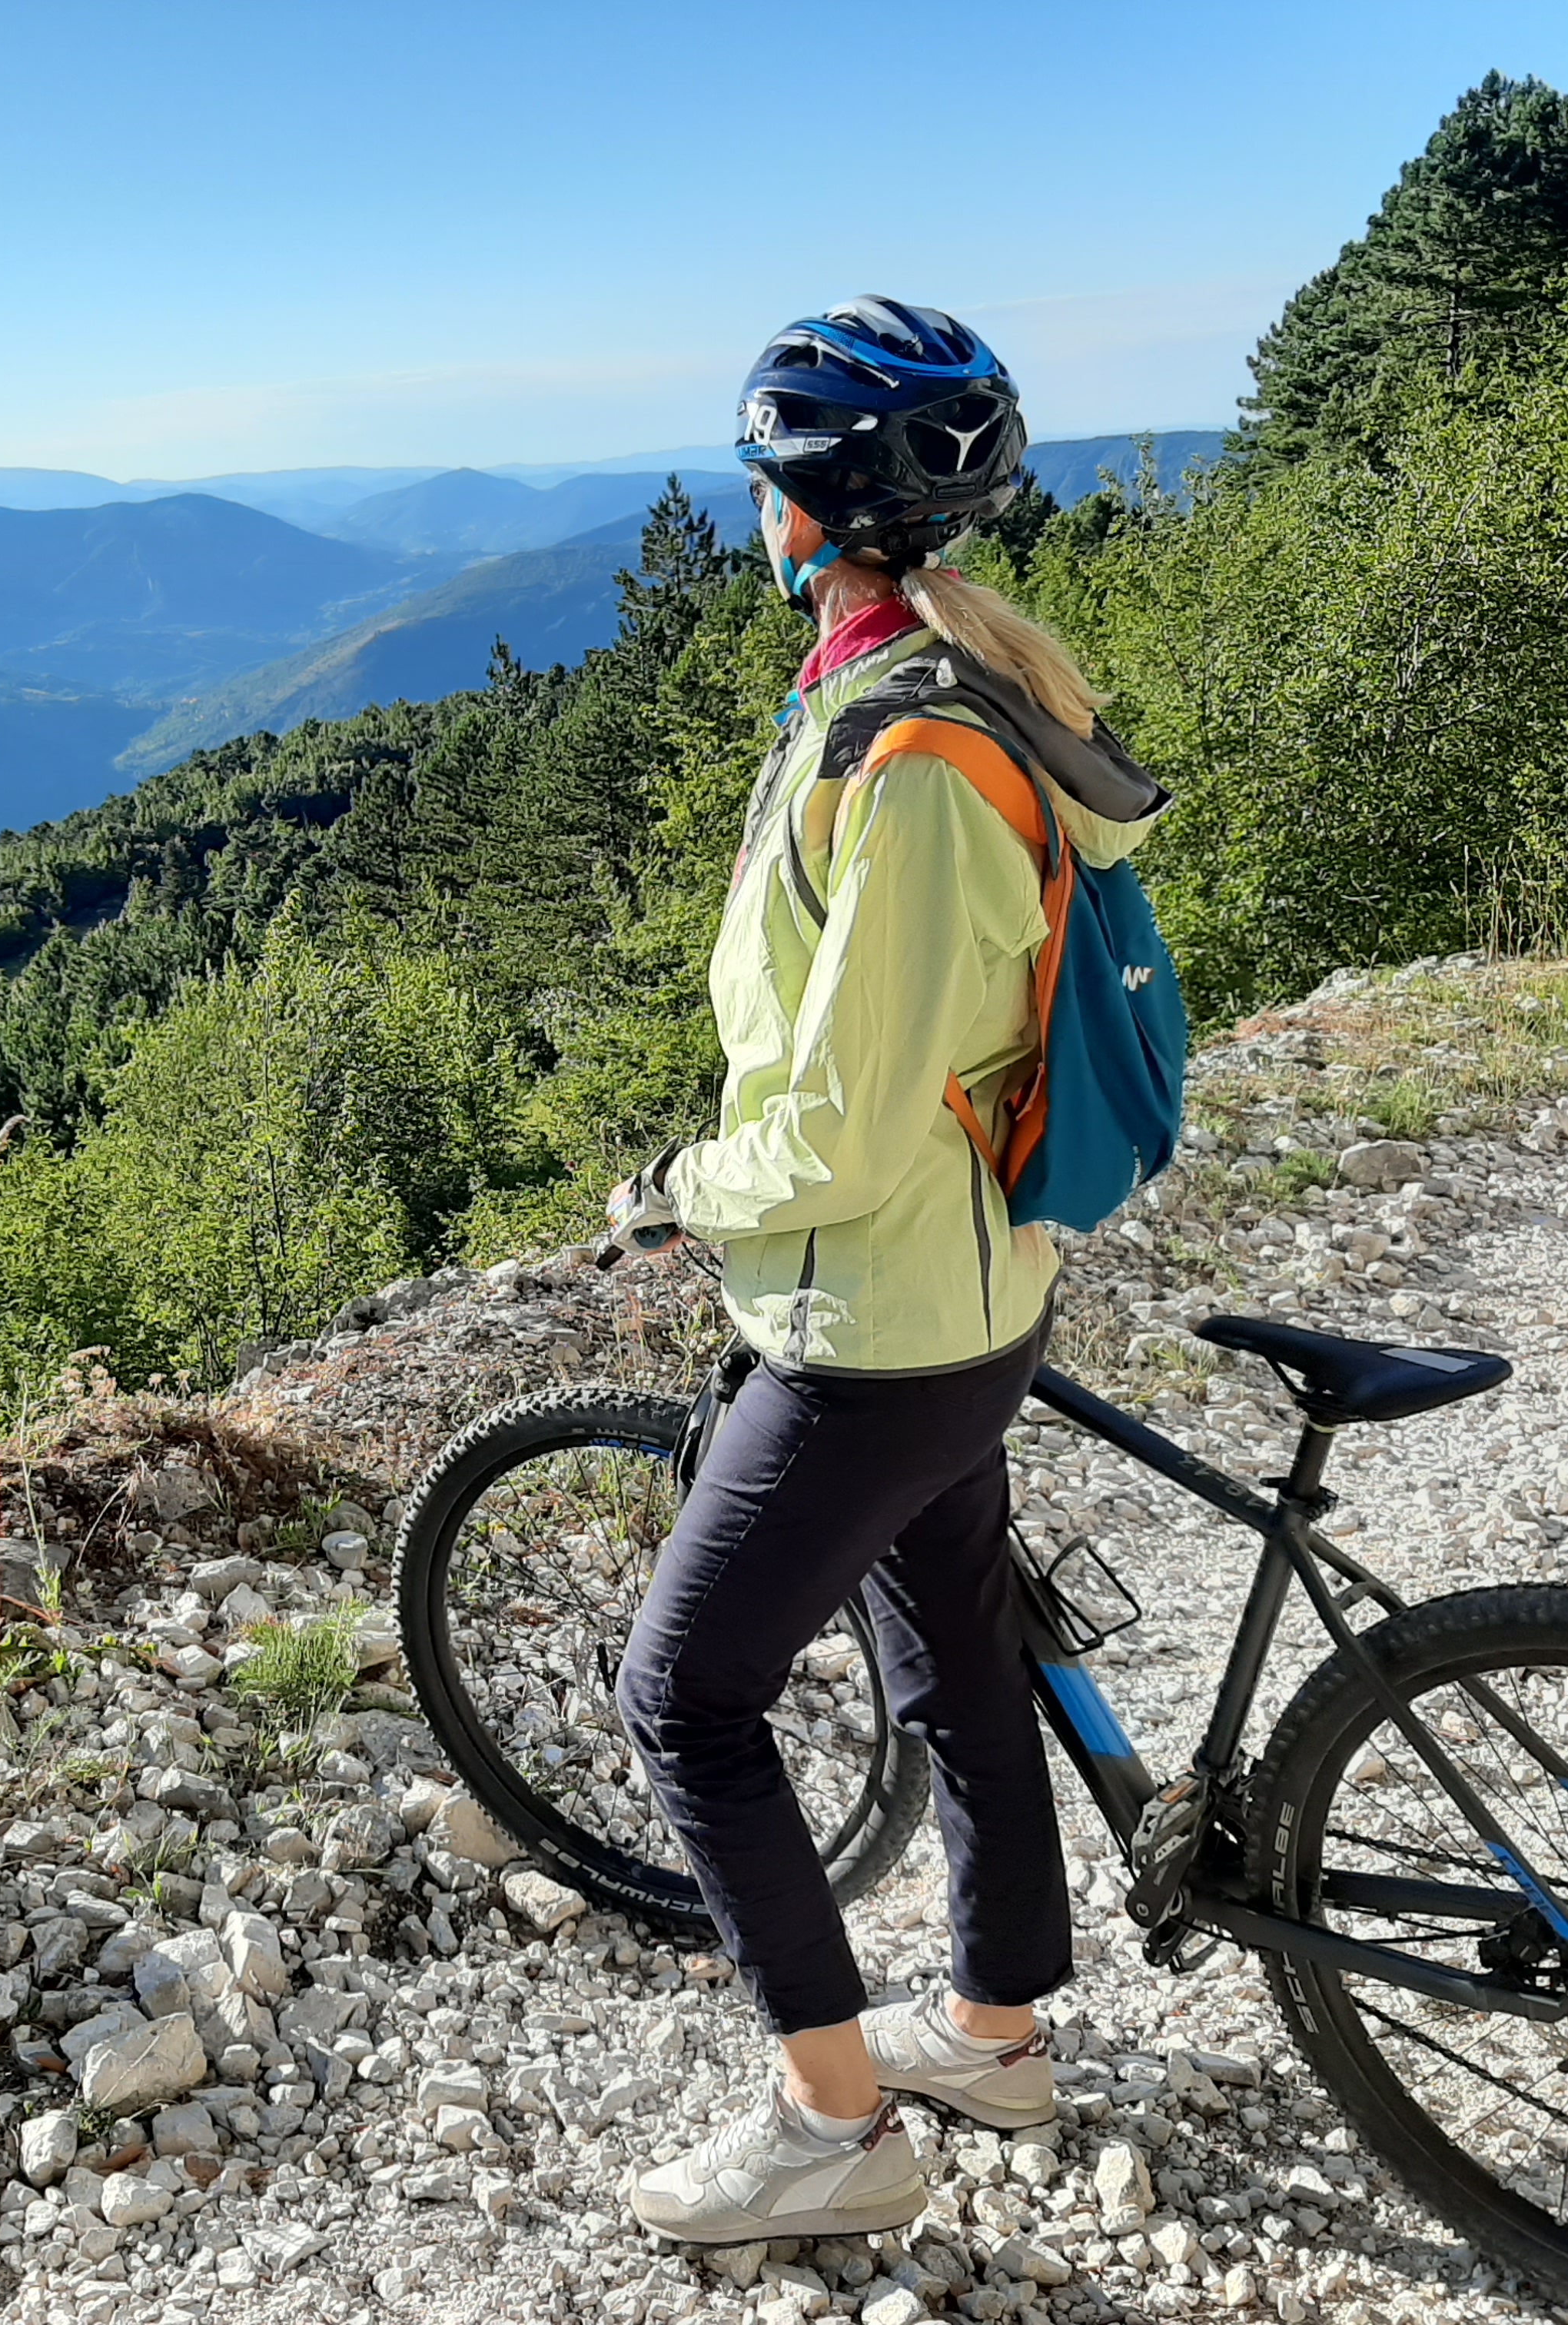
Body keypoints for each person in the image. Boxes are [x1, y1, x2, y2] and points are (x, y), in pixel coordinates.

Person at [603, 298, 1168, 2244]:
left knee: (680, 1695)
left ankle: (836, 2135)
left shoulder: (912, 753)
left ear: (810, 507)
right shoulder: (921, 695)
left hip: (884, 1321)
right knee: (956, 1663)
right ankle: (990, 2040)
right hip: (969, 1300)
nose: (750, 508)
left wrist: (683, 1184)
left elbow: (840, 1130)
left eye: (762, 477)